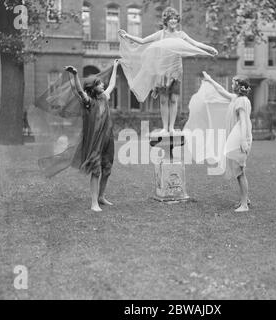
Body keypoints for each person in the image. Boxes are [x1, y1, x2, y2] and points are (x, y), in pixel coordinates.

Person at [118, 6, 218, 134]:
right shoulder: (161, 34)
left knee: (174, 99)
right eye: (170, 19)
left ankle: (171, 127)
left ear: (177, 21)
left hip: (176, 72)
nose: (173, 21)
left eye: (175, 19)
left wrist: (210, 49)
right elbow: (143, 41)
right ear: (166, 21)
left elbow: (196, 44)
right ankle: (165, 127)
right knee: (164, 100)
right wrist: (127, 36)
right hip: (162, 72)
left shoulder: (181, 35)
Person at [61, 60, 120, 212]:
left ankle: (101, 196)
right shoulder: (89, 102)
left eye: (101, 83)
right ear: (93, 88)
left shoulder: (105, 97)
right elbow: (80, 91)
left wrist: (115, 67)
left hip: (107, 139)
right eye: (99, 84)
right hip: (95, 141)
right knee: (96, 170)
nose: (103, 85)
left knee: (107, 168)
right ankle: (94, 202)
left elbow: (112, 84)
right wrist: (74, 75)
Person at [202, 72, 253, 212]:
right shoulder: (235, 98)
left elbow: (243, 121)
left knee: (240, 172)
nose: (231, 85)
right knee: (238, 171)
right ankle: (245, 199)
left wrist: (243, 140)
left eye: (233, 83)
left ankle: (244, 204)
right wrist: (210, 80)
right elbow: (221, 91)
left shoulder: (241, 101)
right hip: (236, 138)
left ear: (240, 86)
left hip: (240, 138)